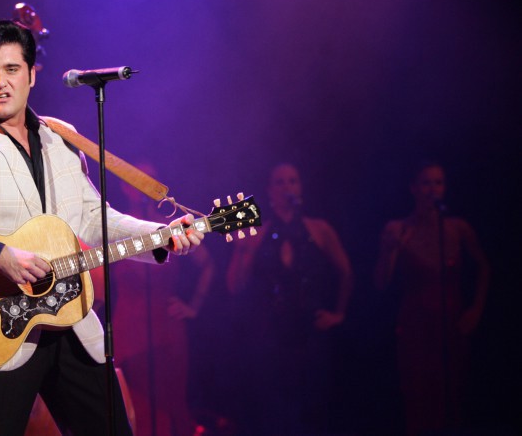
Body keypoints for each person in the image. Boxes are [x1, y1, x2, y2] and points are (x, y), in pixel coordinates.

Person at [0, 18, 204, 436]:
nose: (0, 83)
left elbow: (93, 217)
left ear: (31, 74)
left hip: (70, 319)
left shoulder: (61, 137)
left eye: (11, 69)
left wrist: (162, 235)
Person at [225, 162, 353, 435]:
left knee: (312, 409)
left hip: (310, 331)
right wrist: (241, 250)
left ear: (300, 187)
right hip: (271, 335)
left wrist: (339, 313)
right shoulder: (258, 232)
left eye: (293, 181)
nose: (287, 187)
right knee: (274, 411)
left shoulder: (318, 229)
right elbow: (235, 286)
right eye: (280, 182)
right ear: (270, 190)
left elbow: (346, 272)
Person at [374, 161, 489, 436]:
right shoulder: (398, 228)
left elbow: (484, 266)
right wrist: (389, 252)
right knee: (418, 396)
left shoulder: (457, 228)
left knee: (452, 394)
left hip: (451, 323)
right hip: (416, 324)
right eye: (426, 183)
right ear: (414, 188)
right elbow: (380, 283)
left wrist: (476, 308)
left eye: (438, 183)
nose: (433, 189)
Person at [111, 162, 215, 436]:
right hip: (127, 328)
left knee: (171, 402)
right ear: (125, 186)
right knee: (135, 405)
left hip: (166, 327)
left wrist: (194, 305)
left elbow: (207, 264)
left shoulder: (168, 228)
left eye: (151, 179)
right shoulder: (115, 228)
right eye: (137, 180)